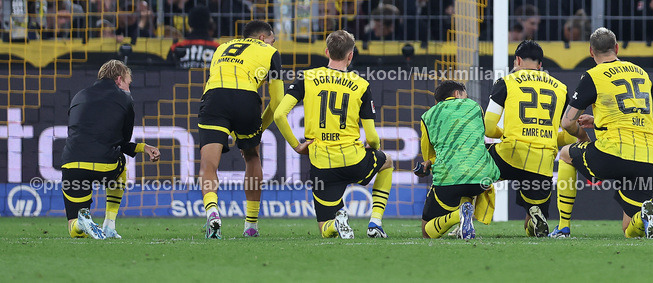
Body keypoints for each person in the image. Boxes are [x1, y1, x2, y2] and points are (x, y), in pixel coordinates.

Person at [274, 29, 393, 239]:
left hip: (323, 166)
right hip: (354, 161)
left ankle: (336, 225)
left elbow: (279, 115)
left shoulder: (308, 77)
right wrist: (372, 148)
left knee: (324, 227)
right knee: (387, 162)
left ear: (326, 52)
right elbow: (373, 137)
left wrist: (296, 145)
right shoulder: (361, 85)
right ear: (351, 55)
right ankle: (375, 221)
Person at [554, 28, 653, 239]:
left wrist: (583, 136)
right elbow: (632, 112)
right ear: (617, 48)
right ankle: (644, 218)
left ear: (591, 52)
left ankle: (563, 227)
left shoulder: (593, 75)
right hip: (647, 157)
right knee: (630, 230)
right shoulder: (642, 73)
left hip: (613, 154)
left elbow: (567, 122)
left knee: (566, 154)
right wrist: (598, 121)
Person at [197, 20, 284, 239]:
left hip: (214, 97)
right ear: (263, 38)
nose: (274, 44)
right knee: (252, 156)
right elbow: (277, 103)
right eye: (273, 39)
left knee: (209, 164)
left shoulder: (221, 48)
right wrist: (259, 130)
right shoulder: (271, 52)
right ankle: (251, 225)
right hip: (246, 98)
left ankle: (212, 212)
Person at [61, 60, 160, 239]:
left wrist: (143, 147)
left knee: (75, 231)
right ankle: (109, 224)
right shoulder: (125, 99)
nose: (129, 89)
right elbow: (122, 142)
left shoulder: (78, 95)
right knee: (121, 164)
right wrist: (143, 148)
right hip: (104, 166)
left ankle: (80, 222)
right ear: (119, 79)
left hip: (72, 165)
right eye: (128, 84)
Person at [483, 40, 572, 237]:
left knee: (472, 173)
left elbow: (488, 129)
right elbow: (569, 134)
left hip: (509, 154)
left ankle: (462, 218)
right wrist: (547, 137)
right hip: (542, 161)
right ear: (540, 64)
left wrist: (505, 134)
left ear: (517, 60)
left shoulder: (505, 82)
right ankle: (534, 218)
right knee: (532, 227)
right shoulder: (561, 88)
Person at [418, 80, 501, 240]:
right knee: (469, 175)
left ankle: (458, 216)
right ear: (457, 94)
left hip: (450, 179)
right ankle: (464, 222)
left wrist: (428, 164)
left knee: (426, 232)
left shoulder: (428, 115)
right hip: (482, 179)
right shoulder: (475, 107)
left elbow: (429, 156)